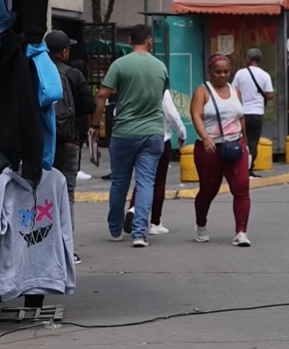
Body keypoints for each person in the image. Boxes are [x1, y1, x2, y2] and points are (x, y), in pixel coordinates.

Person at [90, 24, 168, 248]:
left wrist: (95, 124)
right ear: (150, 41)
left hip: (124, 132)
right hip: (153, 132)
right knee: (145, 184)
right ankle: (139, 234)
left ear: (131, 40)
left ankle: (115, 229)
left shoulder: (120, 64)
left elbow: (102, 94)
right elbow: (161, 95)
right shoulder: (161, 67)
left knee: (120, 182)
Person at [191, 54, 251, 247]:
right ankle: (201, 224)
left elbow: (240, 118)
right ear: (210, 72)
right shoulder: (203, 91)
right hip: (209, 149)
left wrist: (246, 145)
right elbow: (196, 115)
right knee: (208, 190)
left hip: (235, 145)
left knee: (241, 187)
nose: (222, 75)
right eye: (218, 72)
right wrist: (206, 137)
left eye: (226, 71)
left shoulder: (236, 91)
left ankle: (241, 232)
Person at [46, 30, 96, 265]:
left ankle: (42, 245)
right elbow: (89, 105)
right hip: (67, 141)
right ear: (64, 51)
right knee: (66, 194)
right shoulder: (74, 74)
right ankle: (67, 249)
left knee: (41, 194)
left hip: (41, 142)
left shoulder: (35, 70)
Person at [124, 88, 187, 237]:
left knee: (143, 179)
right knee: (158, 182)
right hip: (159, 138)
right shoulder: (161, 90)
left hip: (136, 137)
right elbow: (171, 114)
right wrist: (182, 132)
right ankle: (155, 222)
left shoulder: (133, 88)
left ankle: (133, 208)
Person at [232, 48, 275, 178]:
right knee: (253, 142)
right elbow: (270, 95)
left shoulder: (240, 74)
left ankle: (239, 167)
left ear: (248, 59)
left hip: (241, 113)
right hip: (257, 113)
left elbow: (234, 91)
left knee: (240, 141)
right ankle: (249, 169)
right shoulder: (265, 75)